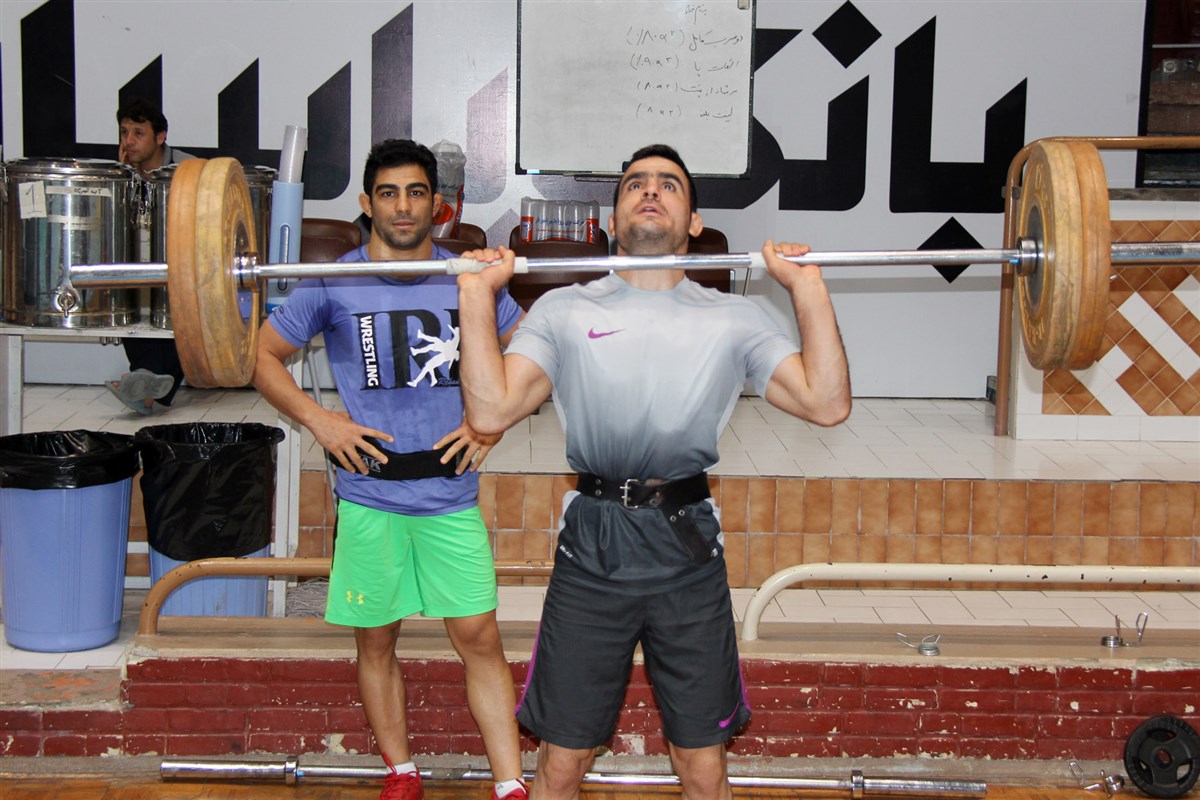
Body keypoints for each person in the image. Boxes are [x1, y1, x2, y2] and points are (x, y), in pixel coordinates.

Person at [455, 144, 851, 800]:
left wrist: (807, 288)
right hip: (592, 551)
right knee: (561, 763)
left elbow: (827, 403)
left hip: (686, 552)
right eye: (635, 183)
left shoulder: (734, 318)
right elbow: (490, 409)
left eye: (669, 185)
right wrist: (475, 297)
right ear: (613, 217)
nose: (650, 191)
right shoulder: (563, 311)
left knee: (702, 767)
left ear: (693, 220)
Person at [252, 139, 527, 800]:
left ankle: (510, 784)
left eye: (415, 193)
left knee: (480, 638)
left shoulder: (467, 275)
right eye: (388, 193)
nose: (403, 206)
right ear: (367, 203)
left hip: (449, 495)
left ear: (438, 204)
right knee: (375, 642)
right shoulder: (333, 280)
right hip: (369, 495)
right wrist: (320, 421)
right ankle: (401, 772)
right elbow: (260, 356)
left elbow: (531, 349)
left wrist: (492, 422)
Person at [106, 97, 186, 415]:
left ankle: (144, 383)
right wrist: (121, 178)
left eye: (138, 133)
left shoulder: (189, 170)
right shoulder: (120, 173)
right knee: (129, 289)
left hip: (182, 265)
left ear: (161, 136)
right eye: (124, 132)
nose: (128, 141)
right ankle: (149, 385)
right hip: (141, 270)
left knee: (175, 301)